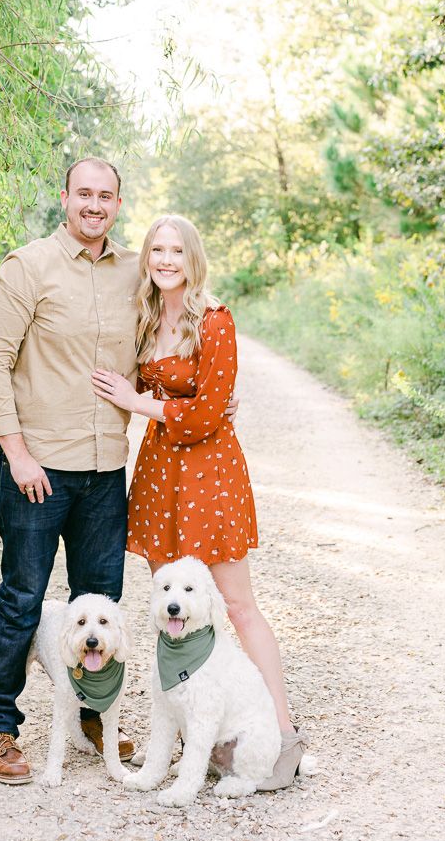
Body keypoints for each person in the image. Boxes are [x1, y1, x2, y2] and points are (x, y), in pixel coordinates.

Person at [91, 214, 307, 790]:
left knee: (236, 605)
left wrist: (144, 405)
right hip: (162, 472)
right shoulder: (142, 316)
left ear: (193, 259)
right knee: (173, 612)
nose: (166, 260)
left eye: (176, 251)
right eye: (156, 250)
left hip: (210, 472)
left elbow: (211, 411)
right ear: (147, 258)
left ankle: (283, 736)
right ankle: (188, 740)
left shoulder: (214, 319)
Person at [0, 157, 138, 783]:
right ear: (65, 197)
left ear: (118, 205)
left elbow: (160, 347)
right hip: (36, 469)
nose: (95, 205)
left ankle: (95, 719)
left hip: (105, 470)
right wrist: (16, 452)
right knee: (22, 598)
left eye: (107, 196)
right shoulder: (28, 267)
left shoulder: (132, 272)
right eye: (84, 194)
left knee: (101, 605)